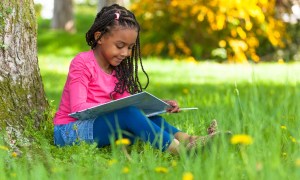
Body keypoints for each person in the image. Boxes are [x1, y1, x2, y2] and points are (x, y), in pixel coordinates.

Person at [53, 4, 219, 154]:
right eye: (120, 46)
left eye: (130, 48)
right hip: (69, 130)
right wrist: (121, 110)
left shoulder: (118, 69)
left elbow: (126, 103)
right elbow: (78, 107)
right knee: (129, 113)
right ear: (100, 37)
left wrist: (159, 104)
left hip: (102, 126)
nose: (126, 53)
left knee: (145, 117)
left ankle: (190, 139)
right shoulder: (82, 63)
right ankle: (180, 151)